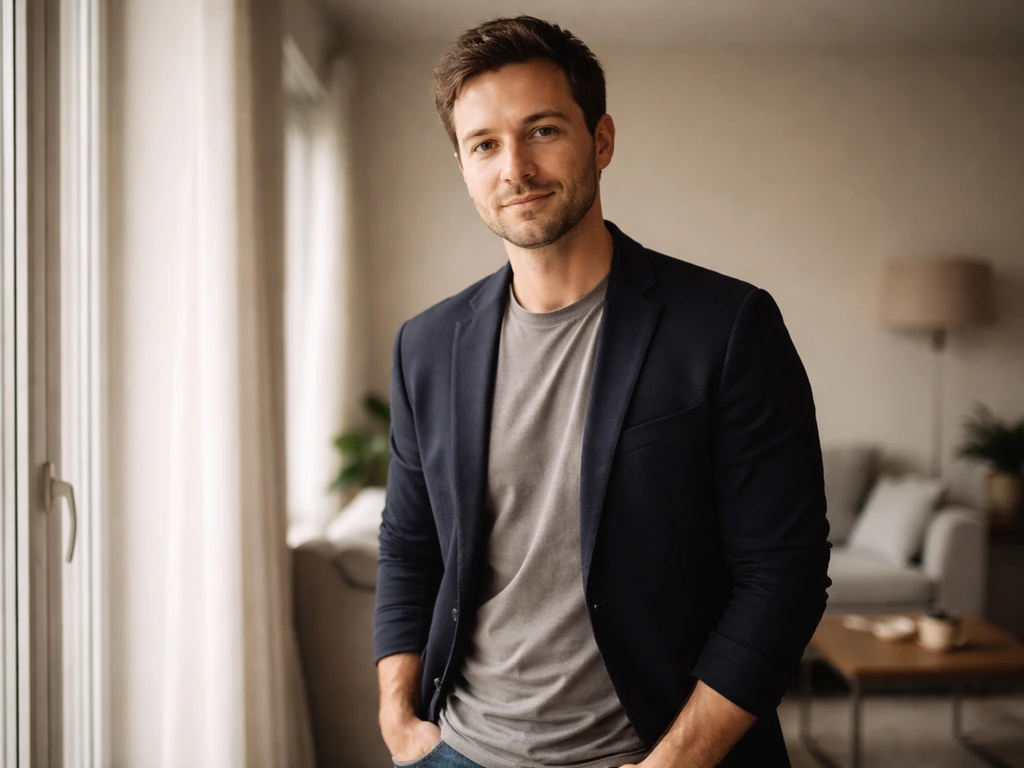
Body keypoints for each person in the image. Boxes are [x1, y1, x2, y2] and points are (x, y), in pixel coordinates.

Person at [373, 15, 830, 768]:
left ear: (602, 140)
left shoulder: (726, 325)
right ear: (463, 166)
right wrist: (399, 715)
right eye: (484, 144)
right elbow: (409, 544)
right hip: (456, 751)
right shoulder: (425, 345)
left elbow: (783, 574)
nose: (514, 167)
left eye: (542, 130)